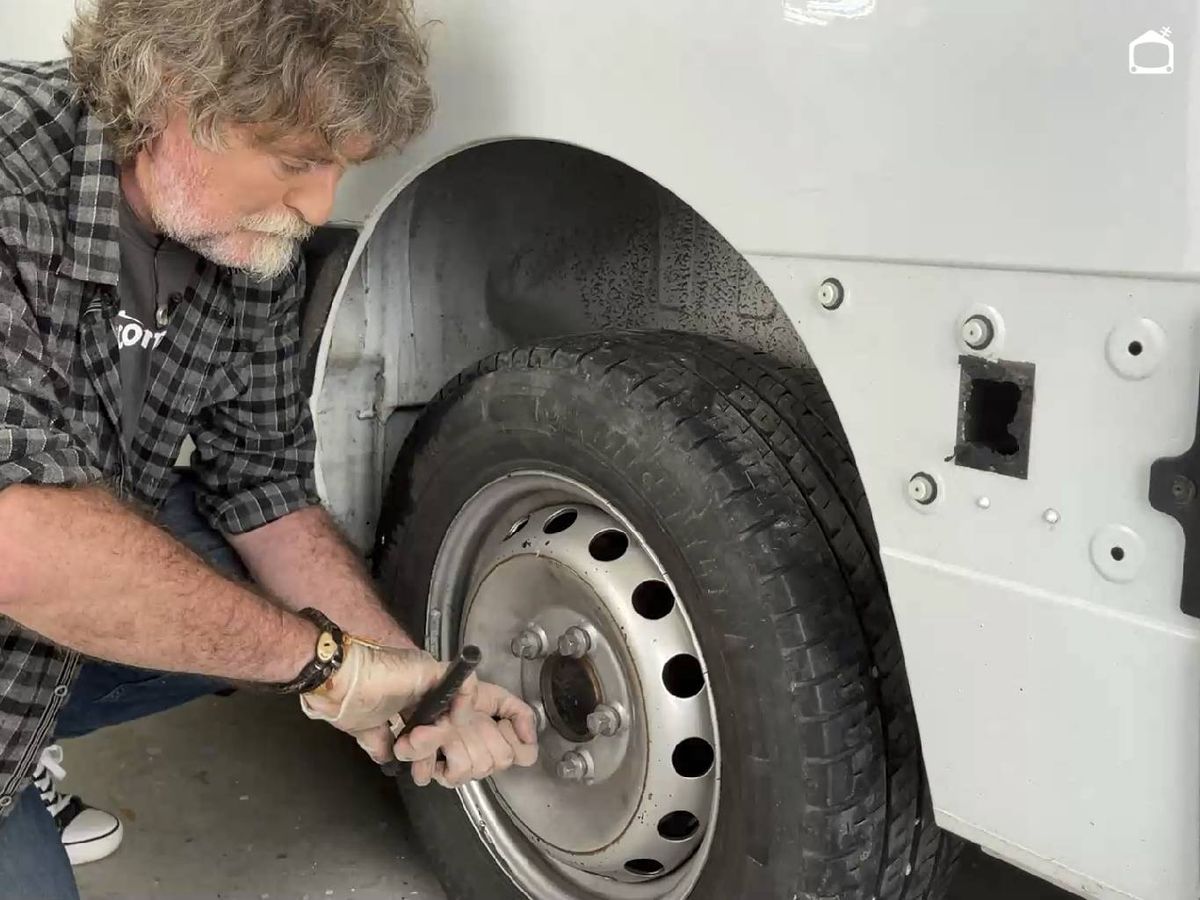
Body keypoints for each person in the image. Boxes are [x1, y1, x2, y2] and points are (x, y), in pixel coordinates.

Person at [0, 1, 539, 896]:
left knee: (222, 558)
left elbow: (263, 486)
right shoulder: (13, 191)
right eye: (297, 162)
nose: (318, 205)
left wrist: (410, 685)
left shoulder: (243, 243)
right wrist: (327, 668)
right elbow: (18, 544)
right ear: (176, 98)